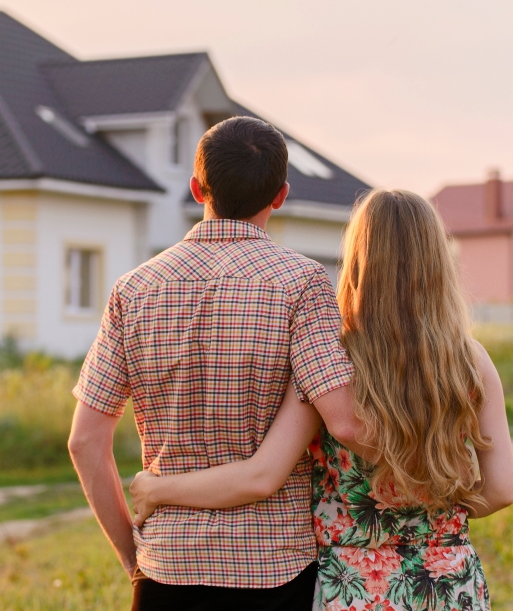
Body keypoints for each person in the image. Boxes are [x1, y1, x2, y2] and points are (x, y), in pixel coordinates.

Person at [130, 188, 513, 610]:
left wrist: (158, 489)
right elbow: (501, 490)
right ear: (438, 263)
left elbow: (260, 476)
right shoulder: (471, 362)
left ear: (357, 262)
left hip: (353, 586)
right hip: (449, 582)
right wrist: (432, 516)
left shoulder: (328, 361)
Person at [69, 116, 363, 610]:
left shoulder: (133, 290)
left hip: (166, 568)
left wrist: (132, 559)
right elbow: (347, 421)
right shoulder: (304, 284)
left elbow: (84, 442)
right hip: (274, 569)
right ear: (281, 195)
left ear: (196, 187)